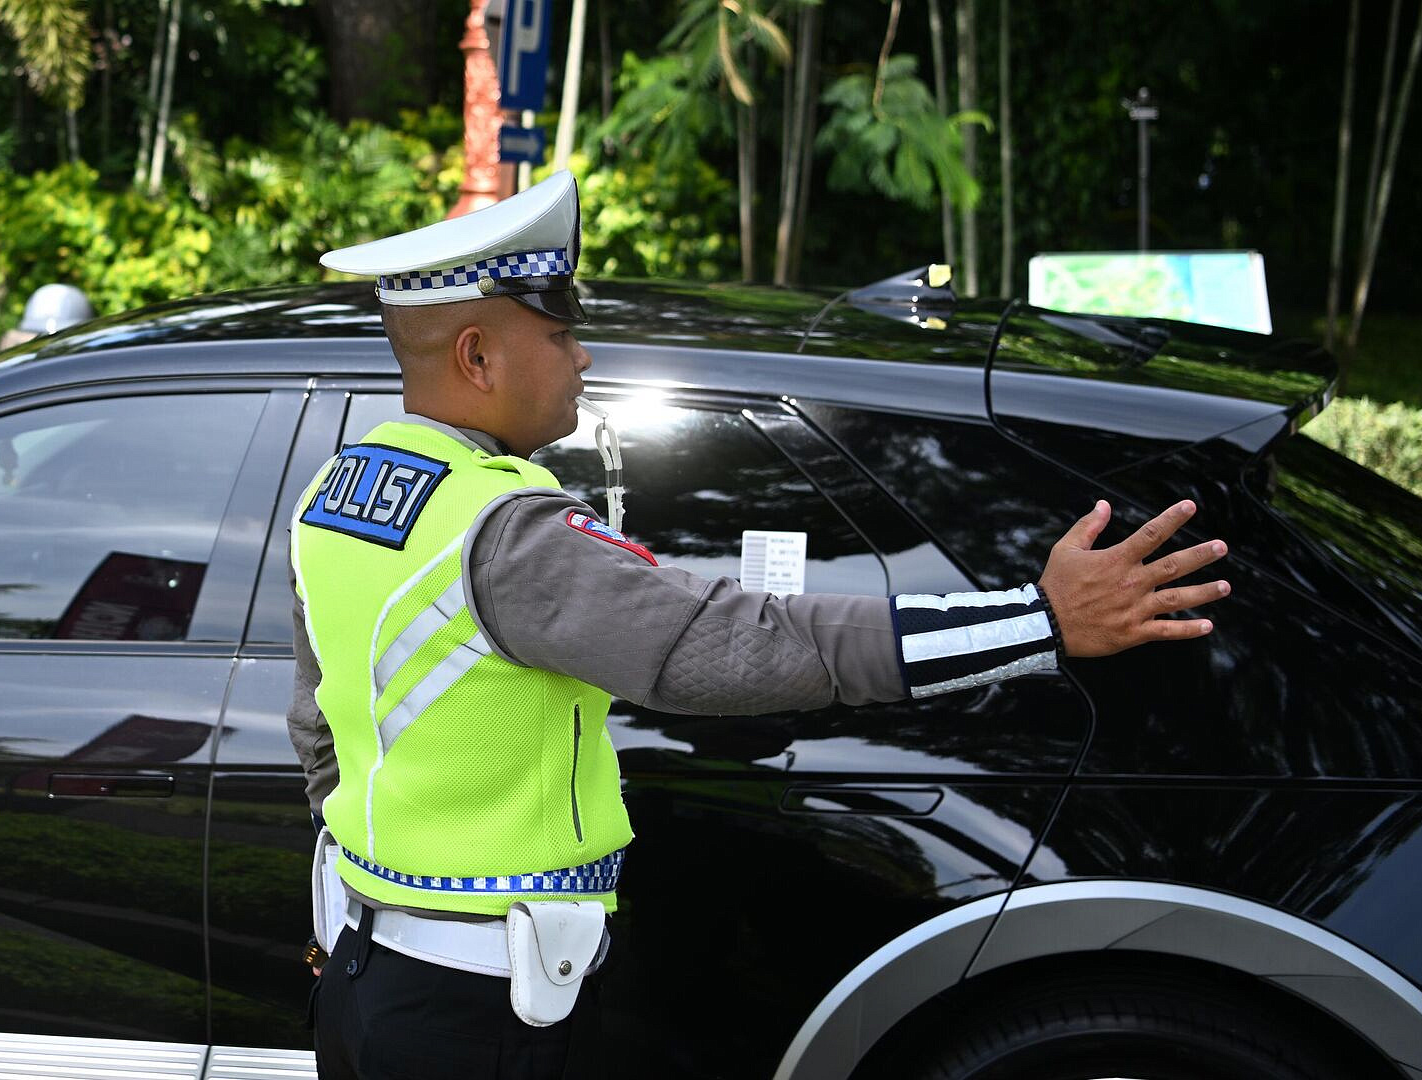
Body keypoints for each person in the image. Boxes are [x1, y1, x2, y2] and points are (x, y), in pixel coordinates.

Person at [286, 172, 1230, 1079]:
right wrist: (1042, 618)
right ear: (478, 356)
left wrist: (351, 915)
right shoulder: (508, 538)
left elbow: (321, 732)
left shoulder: (336, 497)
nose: (582, 357)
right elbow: (741, 648)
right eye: (560, 328)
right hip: (479, 1012)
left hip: (365, 979)